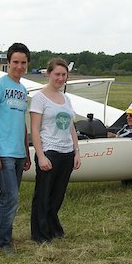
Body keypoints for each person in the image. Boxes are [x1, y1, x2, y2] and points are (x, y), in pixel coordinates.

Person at [0, 43, 31, 254]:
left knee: (7, 197)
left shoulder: (22, 90)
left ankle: (2, 236)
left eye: (23, 62)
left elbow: (21, 122)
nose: (19, 66)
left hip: (19, 153)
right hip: (3, 153)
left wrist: (26, 151)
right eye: (15, 62)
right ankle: (0, 242)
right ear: (8, 63)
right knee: (11, 196)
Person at [30, 58, 81, 243]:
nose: (60, 78)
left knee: (58, 195)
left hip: (66, 152)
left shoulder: (66, 99)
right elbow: (35, 129)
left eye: (63, 75)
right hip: (49, 150)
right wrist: (41, 155)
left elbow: (71, 127)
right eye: (57, 74)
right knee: (43, 194)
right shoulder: (39, 98)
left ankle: (52, 227)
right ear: (48, 74)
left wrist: (76, 151)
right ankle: (39, 233)